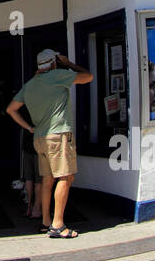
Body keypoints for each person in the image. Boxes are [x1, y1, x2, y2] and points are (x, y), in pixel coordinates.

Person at [6, 48, 92, 238]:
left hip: (39, 138)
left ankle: (46, 222)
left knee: (47, 180)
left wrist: (29, 128)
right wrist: (68, 64)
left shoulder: (29, 85)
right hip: (59, 135)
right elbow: (88, 77)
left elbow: (11, 109)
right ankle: (58, 225)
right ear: (53, 62)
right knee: (66, 177)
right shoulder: (58, 75)